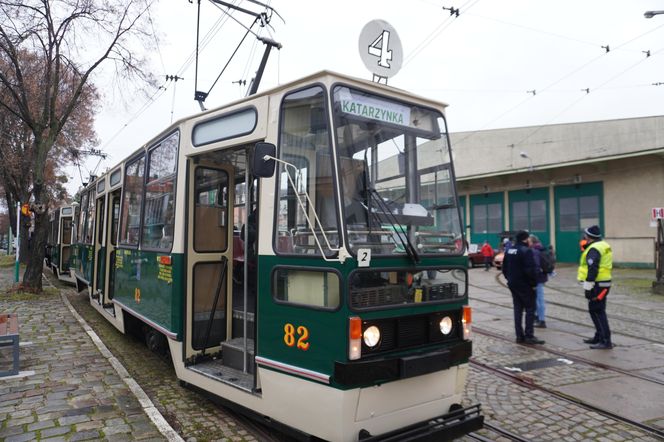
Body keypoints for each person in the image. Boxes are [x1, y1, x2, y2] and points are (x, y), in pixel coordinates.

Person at [502, 230, 545, 345]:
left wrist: (510, 279)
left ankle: (519, 336)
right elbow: (530, 271)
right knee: (530, 309)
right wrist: (534, 284)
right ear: (525, 239)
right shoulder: (526, 251)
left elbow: (504, 268)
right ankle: (529, 335)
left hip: (513, 284)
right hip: (525, 285)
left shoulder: (509, 250)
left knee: (518, 309)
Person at [577, 225, 613, 349]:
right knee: (596, 310)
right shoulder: (603, 245)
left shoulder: (594, 248)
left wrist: (588, 285)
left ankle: (605, 340)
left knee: (597, 311)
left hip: (597, 283)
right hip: (604, 282)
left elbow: (593, 268)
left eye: (585, 235)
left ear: (588, 236)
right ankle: (599, 336)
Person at [529, 235, 548, 328]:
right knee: (538, 299)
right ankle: (538, 317)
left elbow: (536, 267)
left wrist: (533, 279)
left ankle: (541, 320)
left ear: (532, 242)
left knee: (538, 300)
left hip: (537, 278)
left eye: (529, 241)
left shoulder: (535, 252)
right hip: (540, 277)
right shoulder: (541, 249)